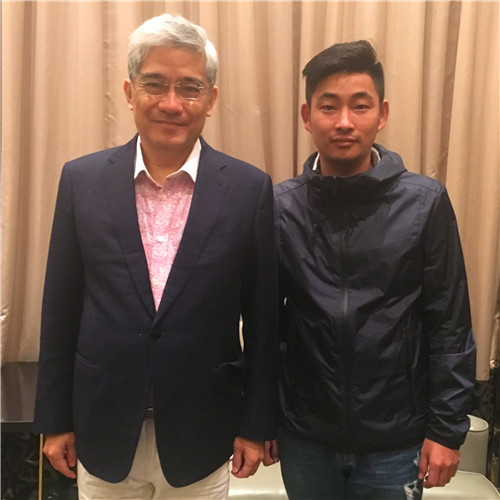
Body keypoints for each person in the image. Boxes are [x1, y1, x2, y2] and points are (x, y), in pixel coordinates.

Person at [33, 13, 278, 500]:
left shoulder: (249, 189)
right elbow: (60, 310)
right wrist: (54, 419)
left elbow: (264, 320)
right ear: (129, 92)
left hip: (202, 429)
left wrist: (256, 425)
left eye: (189, 88)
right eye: (155, 84)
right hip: (103, 427)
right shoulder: (82, 181)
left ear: (211, 99)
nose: (171, 103)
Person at [268, 40, 476, 500]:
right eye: (328, 106)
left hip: (397, 440)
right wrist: (262, 417)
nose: (344, 121)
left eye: (359, 106)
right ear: (307, 117)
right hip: (305, 437)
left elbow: (450, 324)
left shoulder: (424, 203)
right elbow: (268, 324)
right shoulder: (281, 207)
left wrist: (446, 430)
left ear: (381, 114)